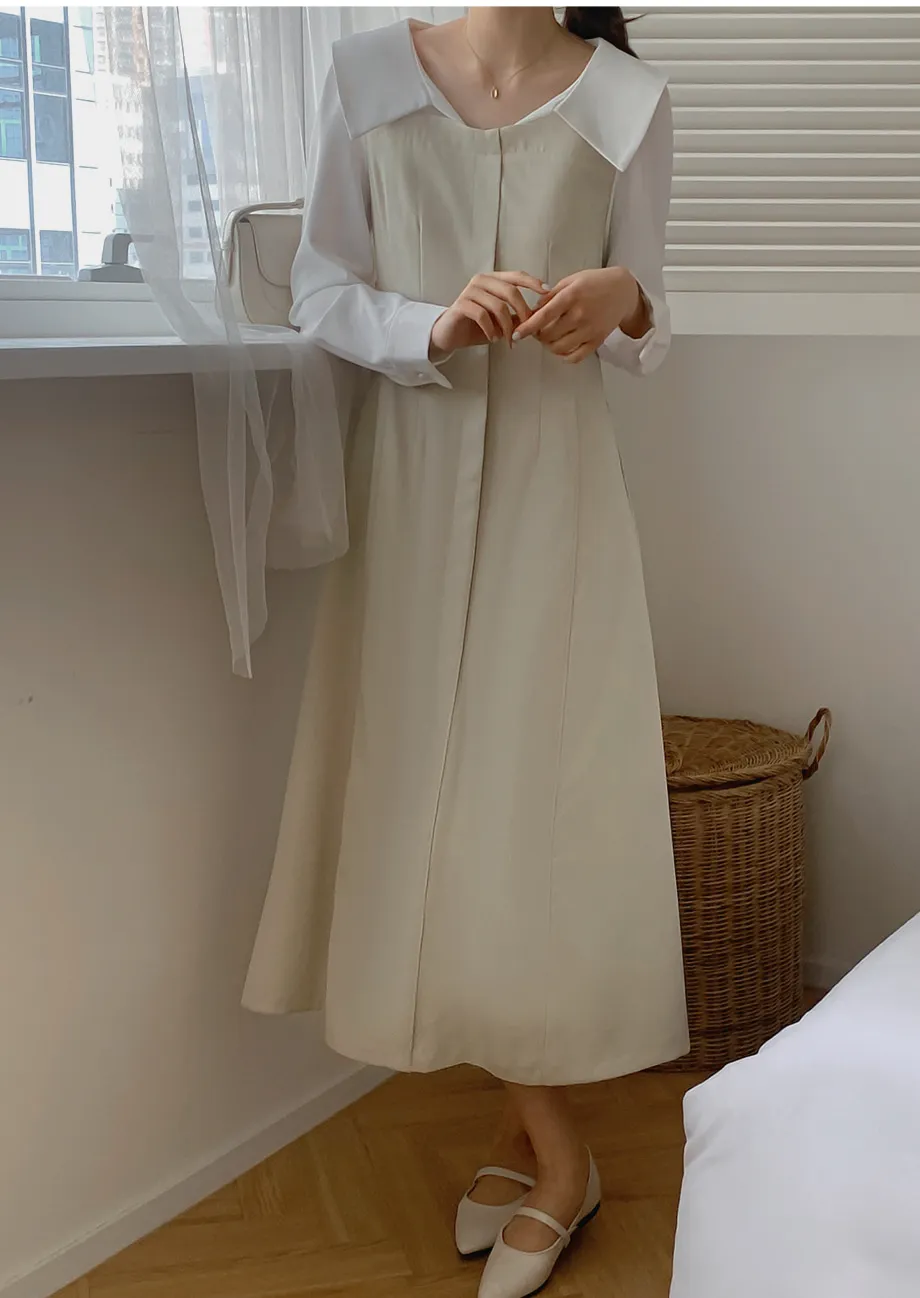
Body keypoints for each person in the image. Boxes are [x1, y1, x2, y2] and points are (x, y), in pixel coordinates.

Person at [242, 8, 689, 1297]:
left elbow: (653, 322)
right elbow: (321, 285)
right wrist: (430, 326)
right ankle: (542, 1141)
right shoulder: (368, 74)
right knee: (422, 799)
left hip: (559, 485)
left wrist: (623, 297)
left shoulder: (628, 100)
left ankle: (556, 1157)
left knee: (532, 804)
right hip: (415, 484)